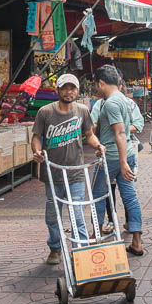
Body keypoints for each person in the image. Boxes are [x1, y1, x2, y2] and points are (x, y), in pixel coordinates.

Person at [31, 73, 104, 265]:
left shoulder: (82, 111)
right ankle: (55, 247)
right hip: (52, 172)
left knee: (77, 213)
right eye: (64, 88)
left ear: (77, 91)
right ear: (58, 91)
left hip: (76, 173)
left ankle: (79, 251)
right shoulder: (45, 112)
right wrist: (37, 152)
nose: (68, 91)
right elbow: (36, 137)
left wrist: (98, 146)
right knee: (53, 214)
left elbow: (89, 135)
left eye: (72, 88)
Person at [92, 65, 143, 256]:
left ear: (102, 82)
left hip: (113, 157)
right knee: (130, 197)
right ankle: (137, 241)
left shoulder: (112, 103)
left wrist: (122, 163)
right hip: (126, 154)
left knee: (98, 195)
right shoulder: (123, 99)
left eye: (96, 85)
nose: (96, 89)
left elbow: (120, 133)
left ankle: (94, 238)